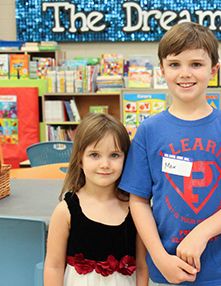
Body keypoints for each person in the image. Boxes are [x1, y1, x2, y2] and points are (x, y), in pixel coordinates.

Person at [119, 21, 221, 285]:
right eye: (175, 64)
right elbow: (138, 200)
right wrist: (160, 258)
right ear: (162, 70)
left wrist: (202, 233)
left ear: (214, 70)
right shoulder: (148, 131)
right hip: (165, 268)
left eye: (196, 64)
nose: (185, 73)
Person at [44, 113, 149, 286]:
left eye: (114, 155)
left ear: (126, 158)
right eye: (94, 155)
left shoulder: (136, 209)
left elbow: (142, 268)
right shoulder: (65, 211)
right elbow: (54, 266)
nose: (104, 164)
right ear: (80, 160)